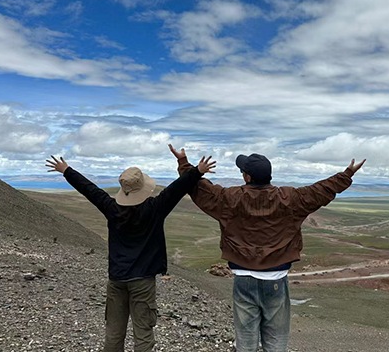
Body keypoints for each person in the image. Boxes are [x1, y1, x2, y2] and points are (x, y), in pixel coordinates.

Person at [169, 144, 365, 352]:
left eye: (243, 171)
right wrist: (347, 174)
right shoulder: (290, 199)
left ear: (247, 177)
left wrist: (184, 163)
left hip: (243, 277)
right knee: (276, 339)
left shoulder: (230, 198)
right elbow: (321, 191)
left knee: (245, 339)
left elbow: (199, 189)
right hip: (276, 279)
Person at [45, 150, 216, 352]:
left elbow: (90, 190)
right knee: (143, 333)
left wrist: (66, 170)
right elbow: (177, 189)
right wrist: (197, 170)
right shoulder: (155, 207)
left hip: (117, 278)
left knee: (114, 333)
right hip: (142, 280)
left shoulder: (111, 208)